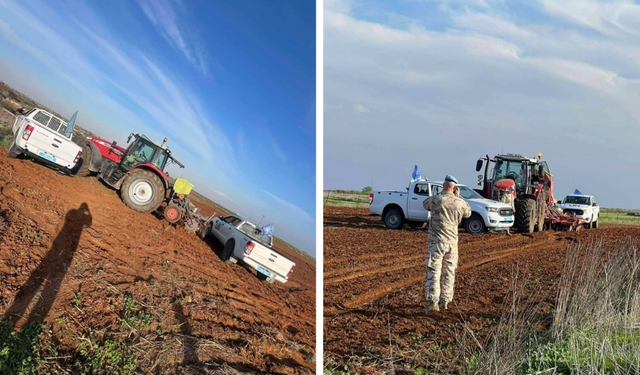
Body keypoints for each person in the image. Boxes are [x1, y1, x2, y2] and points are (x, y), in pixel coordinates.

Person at [422, 175, 471, 311]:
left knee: (434, 270)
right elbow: (468, 213)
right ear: (455, 188)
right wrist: (458, 197)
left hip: (436, 242)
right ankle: (446, 301)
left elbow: (425, 204)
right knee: (449, 272)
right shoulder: (459, 203)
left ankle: (433, 302)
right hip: (452, 244)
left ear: (443, 185)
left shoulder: (436, 200)